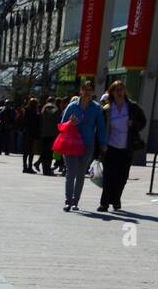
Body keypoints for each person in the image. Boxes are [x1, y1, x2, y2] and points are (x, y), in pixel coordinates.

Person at [99, 80, 147, 213]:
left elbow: (143, 121)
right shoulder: (107, 109)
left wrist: (134, 124)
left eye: (121, 89)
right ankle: (104, 203)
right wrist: (102, 145)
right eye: (116, 90)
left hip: (127, 147)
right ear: (112, 92)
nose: (119, 92)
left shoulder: (132, 107)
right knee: (109, 176)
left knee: (122, 177)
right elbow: (101, 128)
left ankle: (116, 199)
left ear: (125, 91)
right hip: (110, 147)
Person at [61, 81, 106, 212]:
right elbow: (61, 125)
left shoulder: (97, 108)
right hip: (71, 144)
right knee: (71, 173)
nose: (87, 92)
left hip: (87, 144)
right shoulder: (72, 106)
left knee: (80, 174)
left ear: (93, 92)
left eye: (90, 90)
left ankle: (75, 201)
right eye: (85, 89)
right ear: (81, 90)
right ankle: (68, 201)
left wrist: (103, 143)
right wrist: (70, 123)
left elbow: (101, 127)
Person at [38, 98, 60, 176]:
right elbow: (57, 120)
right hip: (52, 133)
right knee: (49, 153)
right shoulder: (54, 108)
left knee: (44, 151)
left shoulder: (43, 108)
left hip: (44, 133)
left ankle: (45, 169)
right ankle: (48, 170)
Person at [21, 97, 41, 174]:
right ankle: (29, 167)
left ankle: (25, 167)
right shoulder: (35, 113)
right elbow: (37, 124)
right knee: (31, 152)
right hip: (32, 134)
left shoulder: (26, 111)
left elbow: (24, 122)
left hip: (26, 133)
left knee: (26, 152)